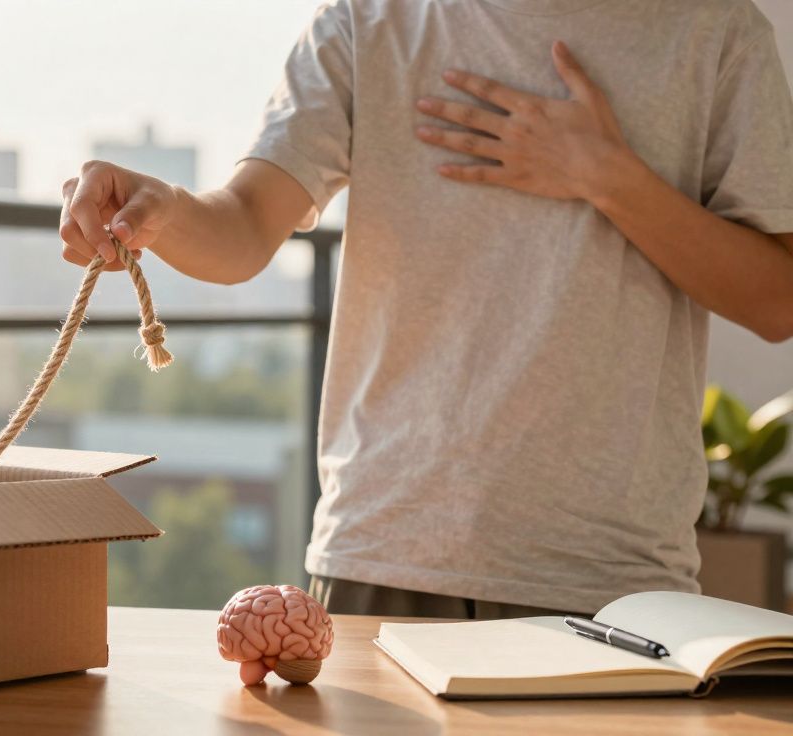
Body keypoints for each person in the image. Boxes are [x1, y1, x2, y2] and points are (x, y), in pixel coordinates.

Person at [58, 0, 793, 620]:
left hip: (609, 578)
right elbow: (245, 228)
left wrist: (606, 176)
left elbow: (776, 300)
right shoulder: (367, 20)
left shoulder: (717, 30)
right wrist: (161, 208)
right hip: (383, 553)